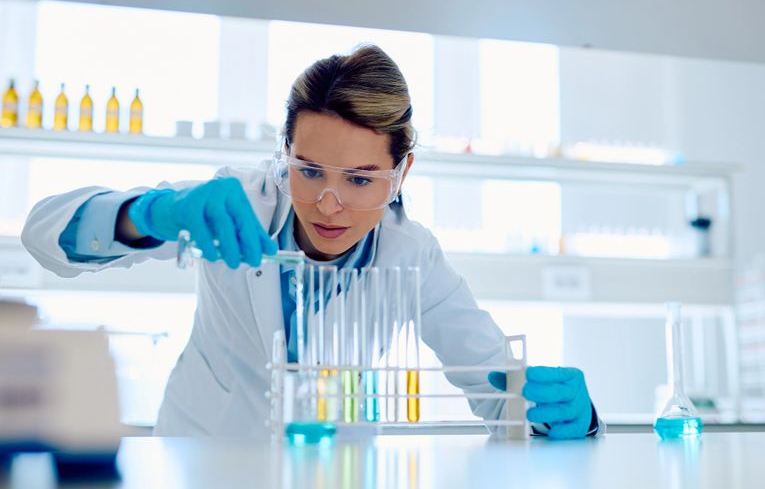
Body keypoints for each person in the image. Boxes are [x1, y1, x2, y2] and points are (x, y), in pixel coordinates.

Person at [22, 45, 602, 439]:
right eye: (310, 170)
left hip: (337, 470)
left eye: (360, 179)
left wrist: (572, 413)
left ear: (403, 172)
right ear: (285, 153)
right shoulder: (236, 205)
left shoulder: (412, 255)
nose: (330, 202)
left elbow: (497, 390)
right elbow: (45, 235)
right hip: (205, 460)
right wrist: (150, 212)